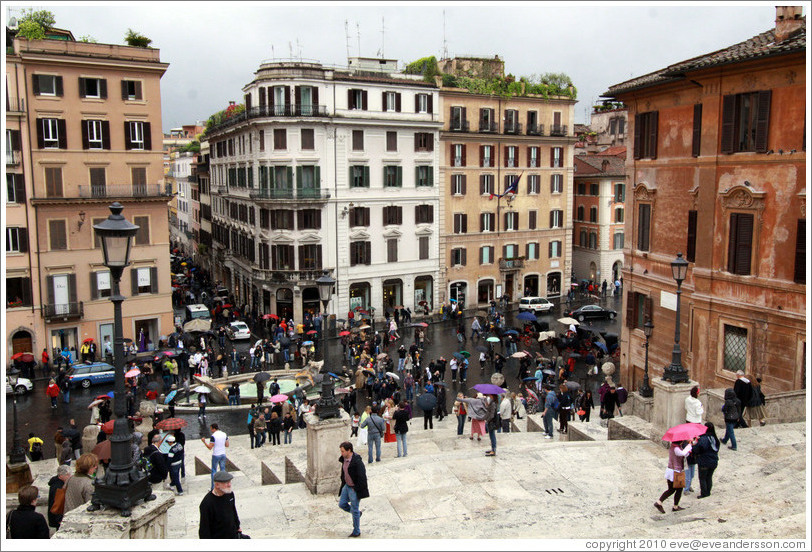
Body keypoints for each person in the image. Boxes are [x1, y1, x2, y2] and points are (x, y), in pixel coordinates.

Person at [199, 471, 244, 539]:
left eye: (230, 482)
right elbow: (204, 529)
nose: (229, 485)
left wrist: (238, 527)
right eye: (226, 483)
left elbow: (233, 511)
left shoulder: (229, 494)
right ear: (217, 485)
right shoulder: (207, 503)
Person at [338, 441, 369, 538]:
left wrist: (357, 490)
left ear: (349, 450)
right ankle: (357, 513)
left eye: (343, 451)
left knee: (354, 508)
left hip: (354, 488)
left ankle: (356, 531)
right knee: (342, 504)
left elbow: (362, 477)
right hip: (346, 486)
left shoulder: (357, 462)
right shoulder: (344, 459)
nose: (341, 453)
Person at [654, 439, 692, 513]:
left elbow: (684, 454)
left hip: (672, 471)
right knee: (678, 489)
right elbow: (682, 454)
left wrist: (688, 449)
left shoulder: (675, 446)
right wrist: (689, 445)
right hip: (675, 472)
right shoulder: (676, 448)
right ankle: (674, 506)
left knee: (672, 490)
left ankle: (660, 502)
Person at [693, 422, 720, 498]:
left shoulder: (703, 439)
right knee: (709, 477)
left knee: (702, 478)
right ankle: (708, 491)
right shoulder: (715, 438)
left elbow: (696, 449)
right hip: (713, 461)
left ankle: (704, 493)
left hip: (704, 461)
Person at [202, 423, 229, 490]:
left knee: (214, 471)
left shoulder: (213, 436)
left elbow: (210, 447)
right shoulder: (224, 434)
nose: (211, 430)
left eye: (211, 429)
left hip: (216, 455)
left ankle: (213, 488)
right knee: (223, 470)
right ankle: (224, 486)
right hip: (223, 454)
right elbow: (227, 445)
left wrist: (204, 442)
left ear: (214, 428)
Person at [47, 464, 71, 529]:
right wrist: (60, 519)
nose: (70, 476)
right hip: (59, 519)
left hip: (56, 517)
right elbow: (58, 504)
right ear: (61, 476)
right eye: (67, 475)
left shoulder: (56, 483)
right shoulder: (59, 487)